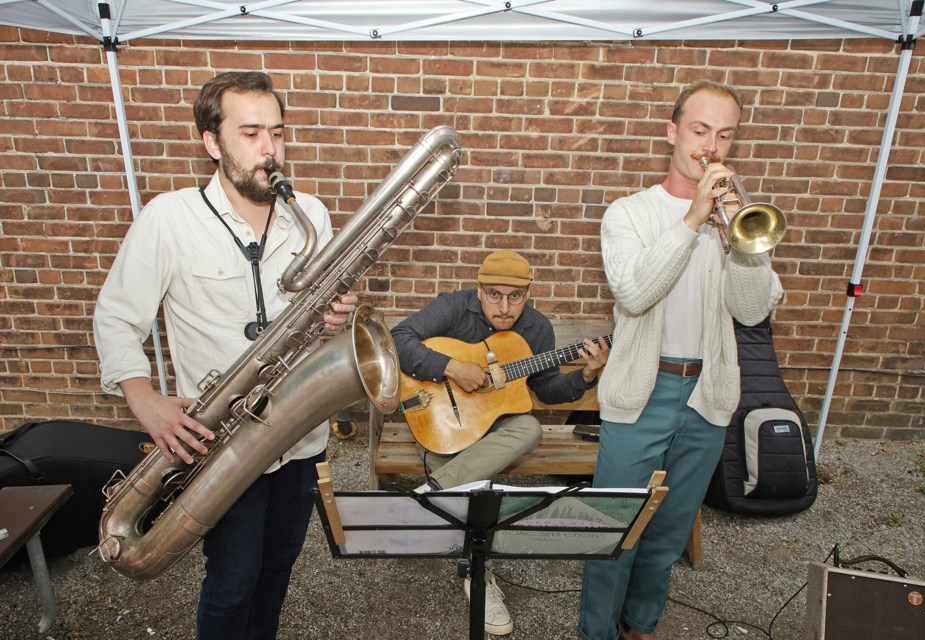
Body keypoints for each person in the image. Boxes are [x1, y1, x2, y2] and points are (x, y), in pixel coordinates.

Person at [93, 71, 357, 640]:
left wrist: (339, 318)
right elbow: (115, 317)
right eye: (251, 133)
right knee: (233, 580)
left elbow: (329, 321)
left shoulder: (308, 212)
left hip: (298, 437)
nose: (269, 148)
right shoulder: (170, 218)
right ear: (211, 143)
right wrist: (147, 401)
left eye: (278, 133)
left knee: (277, 569)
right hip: (222, 445)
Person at [577, 80, 784, 640]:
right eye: (699, 131)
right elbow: (635, 292)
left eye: (725, 135)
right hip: (642, 392)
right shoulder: (629, 214)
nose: (710, 146)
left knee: (667, 533)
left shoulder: (735, 220)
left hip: (706, 395)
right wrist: (692, 220)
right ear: (672, 132)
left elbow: (750, 310)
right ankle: (595, 633)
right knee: (614, 530)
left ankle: (640, 626)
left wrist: (741, 241)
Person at [391, 249, 609, 636]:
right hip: (442, 420)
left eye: (515, 297)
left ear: (528, 294)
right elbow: (398, 338)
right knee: (475, 488)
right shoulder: (452, 308)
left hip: (497, 429)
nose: (505, 307)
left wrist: (587, 378)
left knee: (530, 428)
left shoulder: (537, 329)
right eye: (494, 295)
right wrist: (450, 366)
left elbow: (548, 390)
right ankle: (479, 572)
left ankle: (434, 495)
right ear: (478, 290)